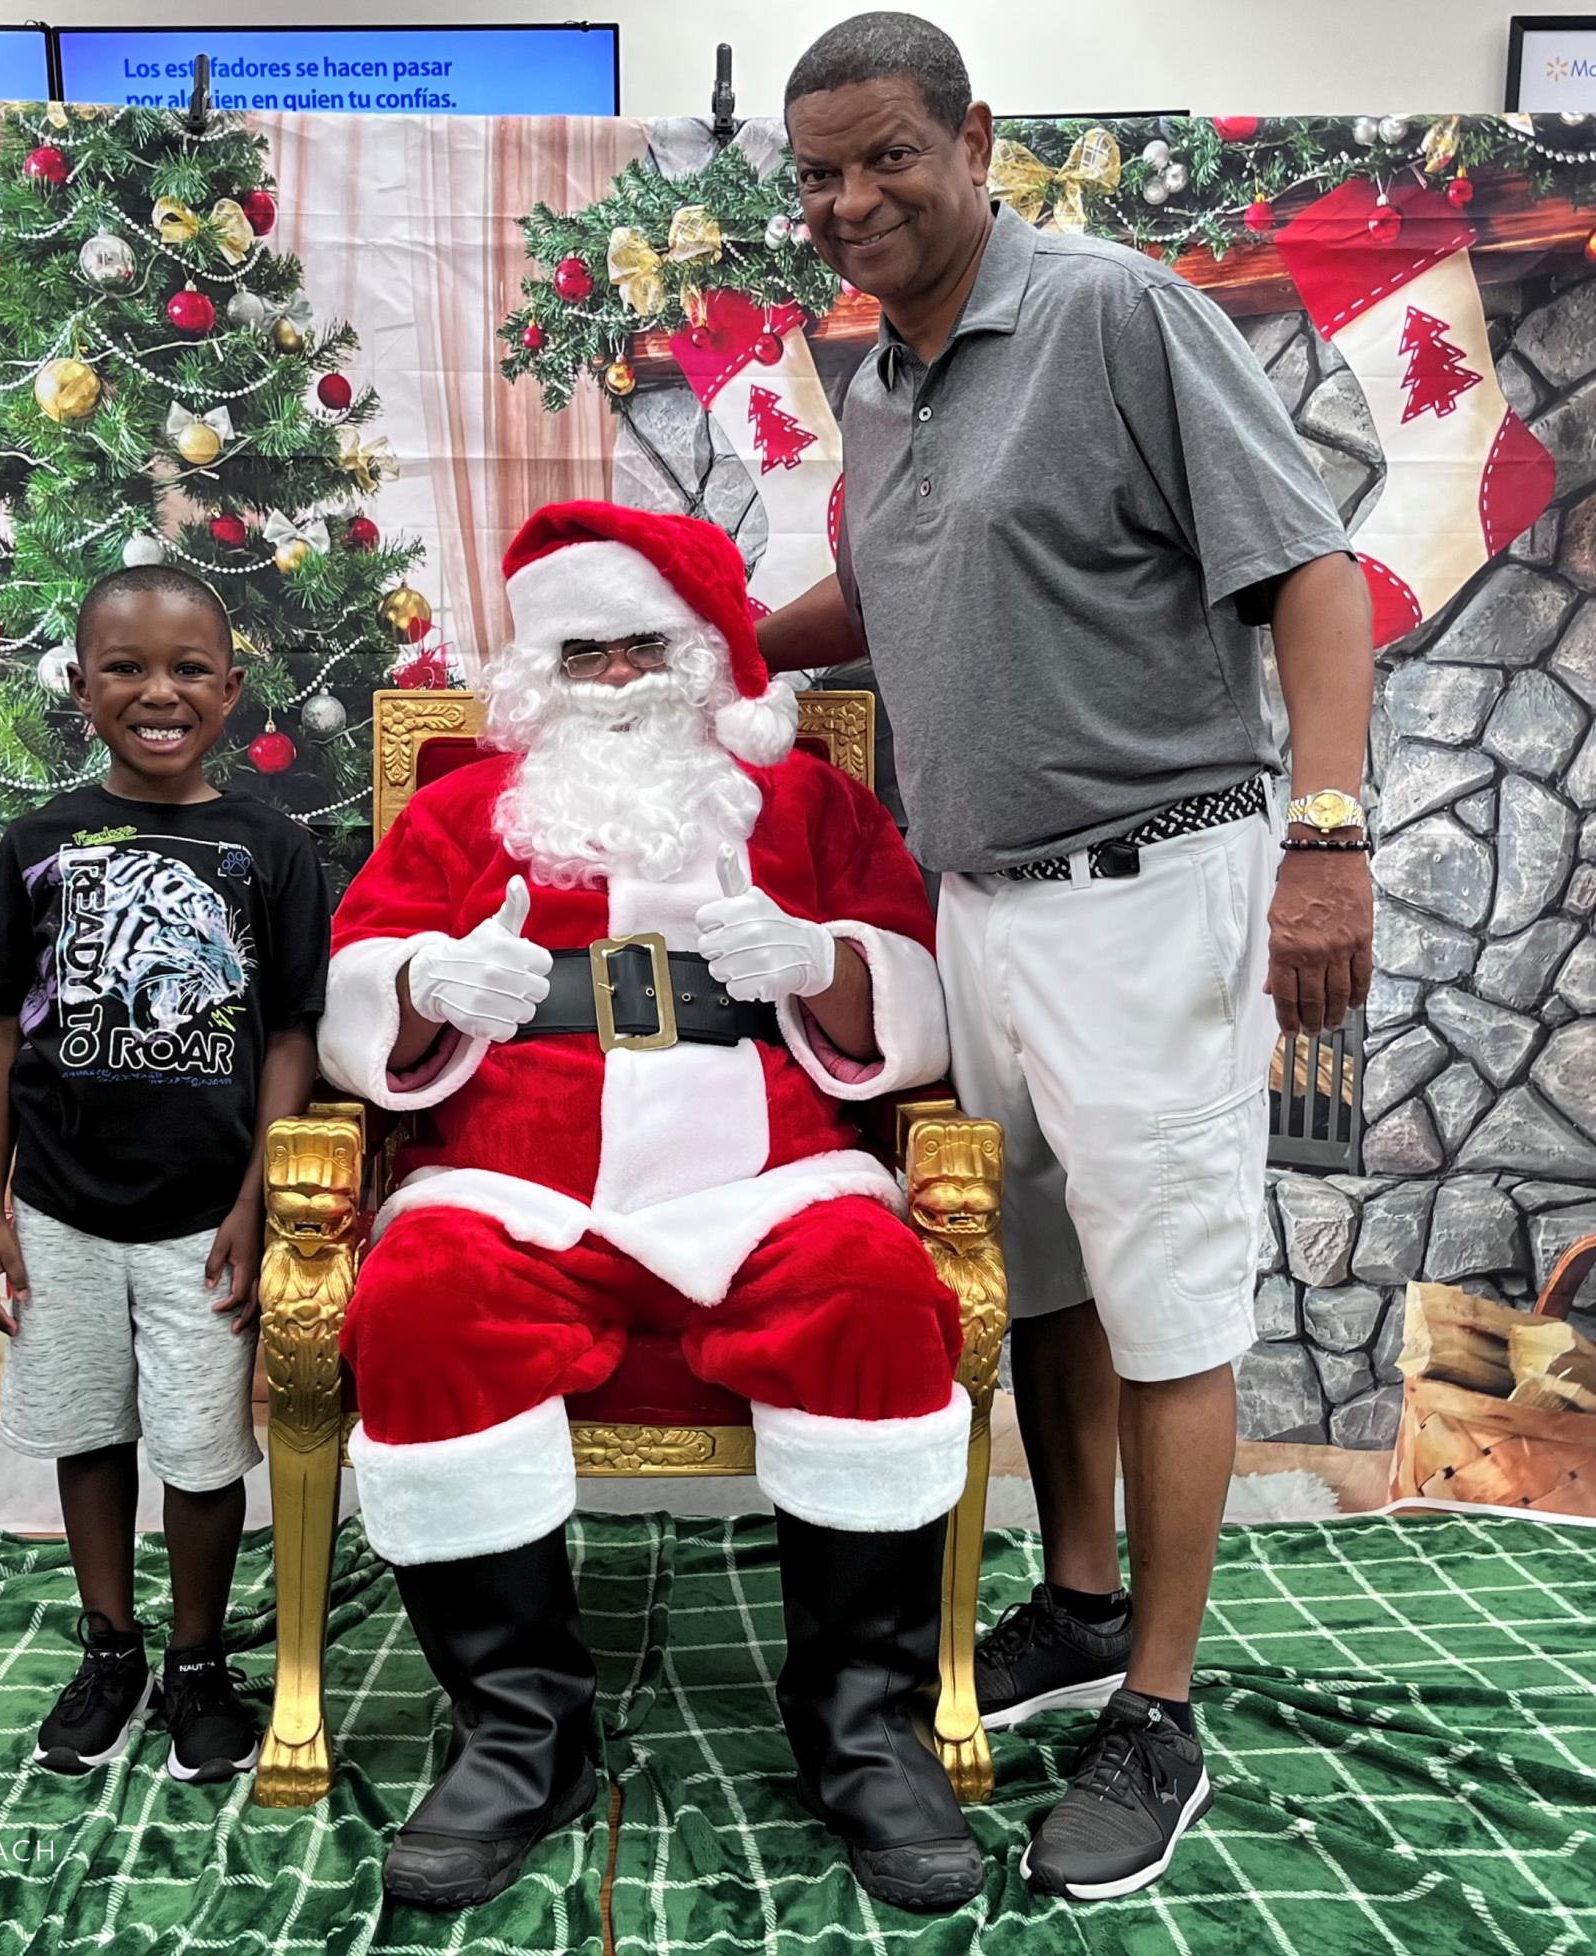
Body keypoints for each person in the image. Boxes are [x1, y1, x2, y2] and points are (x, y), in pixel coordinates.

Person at [770, 14, 1376, 1904]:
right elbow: (873, 601)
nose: (852, 202)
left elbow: (1314, 574)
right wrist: (669, 632)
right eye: (817, 176)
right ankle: (1086, 1600)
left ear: (974, 141)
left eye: (886, 158)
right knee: (1040, 1275)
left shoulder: (1117, 313)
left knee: (1172, 1301)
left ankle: (1163, 1714)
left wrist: (1330, 845)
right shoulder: (876, 386)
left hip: (1155, 889)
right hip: (977, 909)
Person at [318, 500, 983, 1913]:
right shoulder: (458, 815)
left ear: (702, 657)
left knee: (871, 1292)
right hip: (513, 1183)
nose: (616, 681)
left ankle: (862, 1730)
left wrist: (824, 963)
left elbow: (913, 993)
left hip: (772, 1178)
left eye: (643, 649)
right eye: (584, 657)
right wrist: (428, 988)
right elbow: (359, 978)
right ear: (535, 676)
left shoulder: (807, 803)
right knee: (423, 1299)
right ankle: (521, 1731)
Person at [0, 566, 328, 1787]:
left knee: (205, 1449)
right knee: (88, 1429)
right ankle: (111, 1647)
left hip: (203, 1217)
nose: (157, 693)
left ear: (230, 687)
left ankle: (201, 1660)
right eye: (125, 668)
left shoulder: (271, 849)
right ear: (79, 685)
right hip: (58, 1208)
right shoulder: (37, 845)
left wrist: (256, 1194)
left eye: (184, 670)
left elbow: (287, 1036)